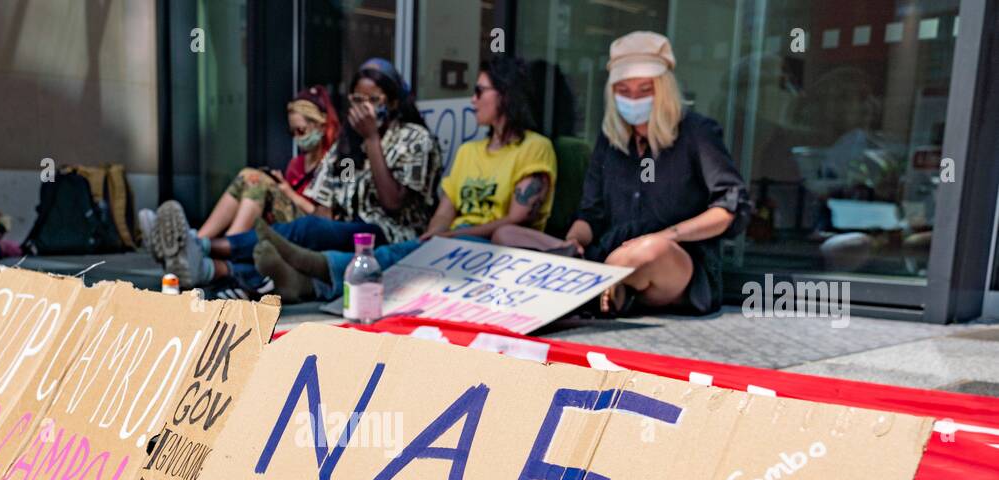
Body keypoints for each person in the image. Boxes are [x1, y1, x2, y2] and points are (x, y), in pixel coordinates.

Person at [253, 55, 557, 304]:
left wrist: (446, 237)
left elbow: (517, 219)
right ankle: (302, 282)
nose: (472, 100)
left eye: (479, 91)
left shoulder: (534, 147)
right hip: (454, 243)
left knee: (391, 255)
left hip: (494, 252)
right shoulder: (469, 151)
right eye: (356, 98)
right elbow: (445, 210)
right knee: (407, 257)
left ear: (505, 94)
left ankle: (310, 265)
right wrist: (433, 235)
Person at [492, 31, 750, 315]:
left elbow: (729, 208)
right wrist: (573, 242)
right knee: (507, 236)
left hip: (673, 263)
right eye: (623, 90)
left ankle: (594, 288)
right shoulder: (610, 139)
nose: (633, 98)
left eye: (644, 89)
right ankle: (601, 288)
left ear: (663, 88)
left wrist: (670, 235)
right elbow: (591, 213)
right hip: (604, 256)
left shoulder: (697, 132)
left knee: (648, 251)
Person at [150, 59, 442, 296]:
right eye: (357, 99)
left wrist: (372, 140)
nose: (363, 107)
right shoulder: (347, 145)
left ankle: (201, 246)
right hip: (347, 231)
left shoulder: (414, 139)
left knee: (308, 229)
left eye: (373, 99)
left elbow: (393, 203)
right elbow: (328, 207)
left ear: (391, 102)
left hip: (387, 236)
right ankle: (209, 269)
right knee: (301, 241)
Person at [140, 86, 338, 249]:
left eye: (301, 130)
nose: (296, 137)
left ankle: (210, 247)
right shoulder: (296, 163)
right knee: (249, 177)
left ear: (320, 125)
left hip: (310, 230)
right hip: (287, 223)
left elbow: (329, 220)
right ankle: (197, 242)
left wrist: (288, 192)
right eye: (292, 131)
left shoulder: (335, 161)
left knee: (256, 180)